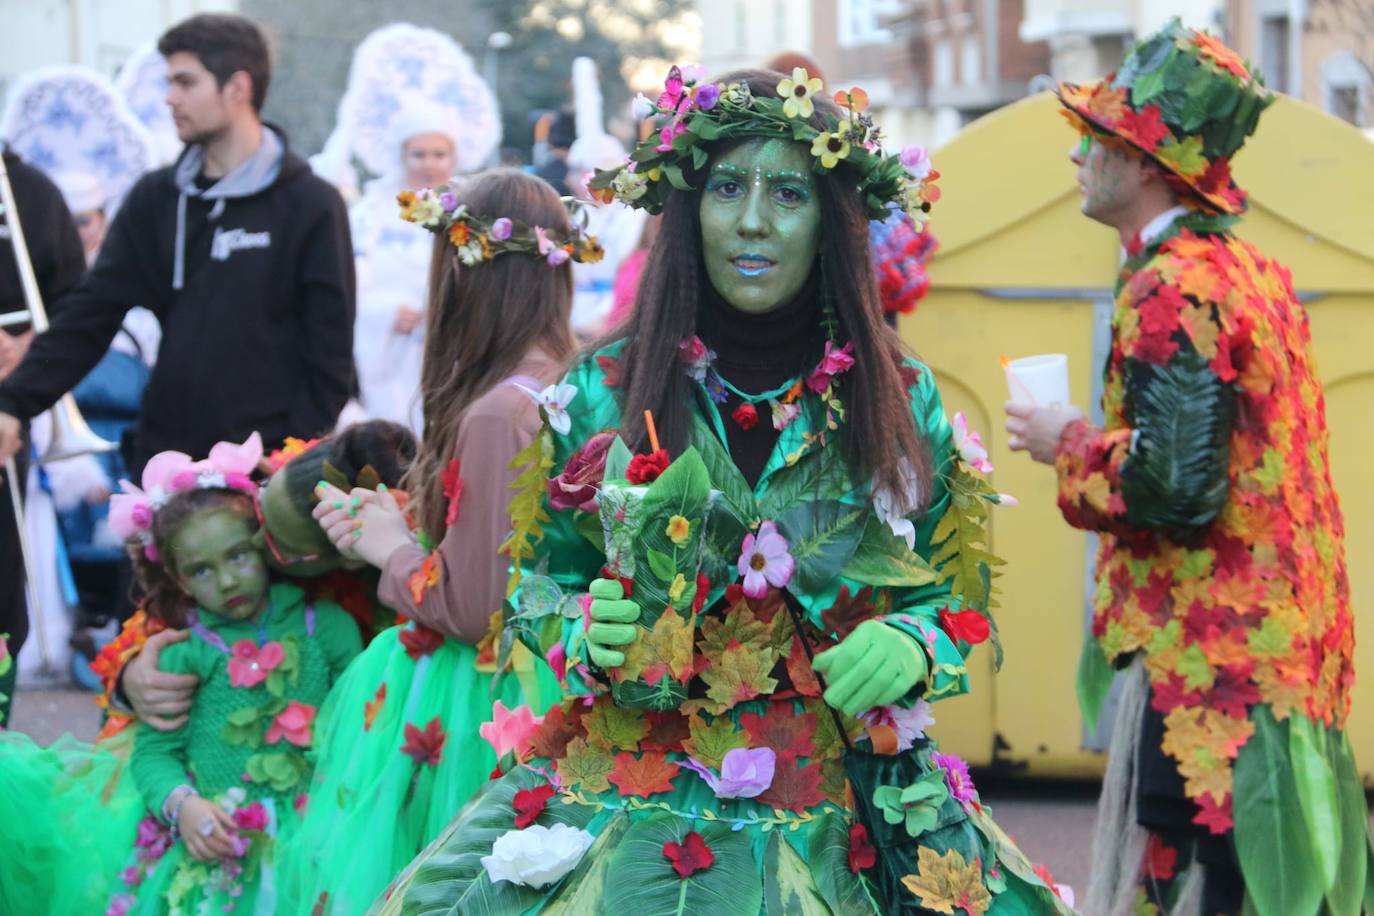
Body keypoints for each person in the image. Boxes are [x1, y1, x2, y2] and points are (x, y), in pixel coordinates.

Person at [377, 68, 1071, 913]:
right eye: (728, 189)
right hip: (631, 797)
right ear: (687, 211)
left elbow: (953, 595)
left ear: (829, 220)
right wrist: (579, 626)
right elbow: (534, 583)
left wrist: (917, 642)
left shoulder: (897, 394)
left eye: (787, 192)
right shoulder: (599, 391)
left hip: (845, 802)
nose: (752, 220)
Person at [1004, 21, 1370, 915]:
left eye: (1096, 139)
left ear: (1145, 162)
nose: (1077, 156)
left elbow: (1172, 488)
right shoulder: (1247, 270)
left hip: (1214, 668)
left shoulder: (1175, 285)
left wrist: (1067, 441)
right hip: (1270, 661)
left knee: (1212, 889)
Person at [279, 169, 585, 914]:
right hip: (564, 678)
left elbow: (476, 604)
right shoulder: (576, 381)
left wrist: (388, 547)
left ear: (459, 274)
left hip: (484, 697)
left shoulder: (495, 413)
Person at [0, 433, 362, 915]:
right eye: (201, 570)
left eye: (238, 555)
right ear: (175, 578)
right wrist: (182, 805)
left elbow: (361, 730)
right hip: (217, 852)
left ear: (265, 542)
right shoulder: (183, 654)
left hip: (318, 843)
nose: (228, 580)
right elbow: (154, 753)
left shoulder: (329, 628)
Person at [0, 12, 356, 479]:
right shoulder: (156, 199)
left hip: (270, 471)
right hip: (169, 468)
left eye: (186, 83)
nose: (170, 98)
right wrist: (12, 402)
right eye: (170, 83)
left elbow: (330, 355)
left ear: (238, 88)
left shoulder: (311, 204)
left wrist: (293, 459)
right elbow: (89, 315)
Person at [94, 420, 417, 741]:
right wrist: (130, 678)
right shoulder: (287, 485)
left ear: (345, 561)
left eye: (282, 546)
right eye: (261, 511)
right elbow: (160, 623)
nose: (257, 542)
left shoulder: (398, 589)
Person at [0, 148, 86, 723]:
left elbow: (76, 299)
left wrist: (29, 351)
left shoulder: (29, 190)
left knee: (3, 584)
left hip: (8, 402)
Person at [349, 101, 460, 430]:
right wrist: (383, 313)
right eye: (419, 154)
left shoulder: (469, 209)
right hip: (387, 348)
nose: (429, 164)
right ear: (402, 156)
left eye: (439, 154)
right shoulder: (370, 212)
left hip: (446, 343)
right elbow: (351, 280)